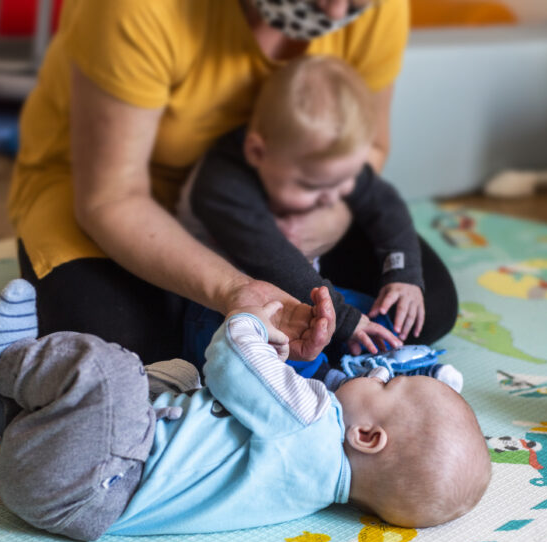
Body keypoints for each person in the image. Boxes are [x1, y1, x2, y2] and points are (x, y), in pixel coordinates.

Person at [8, 0, 459, 367]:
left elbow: (369, 153)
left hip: (281, 190)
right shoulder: (135, 10)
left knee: (425, 304)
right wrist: (236, 290)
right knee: (129, 349)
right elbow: (112, 198)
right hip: (107, 193)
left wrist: (328, 217)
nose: (337, 14)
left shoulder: (377, 11)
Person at [0, 280, 491, 540]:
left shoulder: (312, 423)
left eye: (385, 387)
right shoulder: (313, 483)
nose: (373, 373)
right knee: (173, 378)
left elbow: (229, 363)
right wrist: (274, 354)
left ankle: (8, 364)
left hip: (93, 474)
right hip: (73, 487)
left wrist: (252, 322)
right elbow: (241, 400)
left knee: (119, 374)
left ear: (368, 436)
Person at [179, 54, 454, 371]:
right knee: (263, 350)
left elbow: (385, 204)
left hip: (307, 290)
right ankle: (336, 382)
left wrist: (402, 275)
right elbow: (276, 262)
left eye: (344, 182)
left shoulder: (326, 166)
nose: (333, 198)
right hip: (224, 305)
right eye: (312, 186)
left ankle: (380, 366)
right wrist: (347, 322)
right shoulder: (222, 185)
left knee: (391, 317)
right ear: (257, 152)